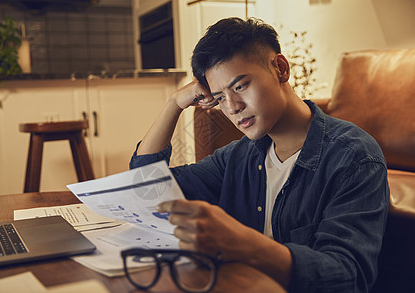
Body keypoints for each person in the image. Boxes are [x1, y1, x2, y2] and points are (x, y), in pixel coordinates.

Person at [129, 17, 389, 292]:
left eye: (240, 86)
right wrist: (173, 104)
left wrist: (243, 243)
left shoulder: (355, 158)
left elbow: (348, 277)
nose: (232, 107)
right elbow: (146, 186)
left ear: (280, 69)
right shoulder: (239, 156)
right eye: (219, 97)